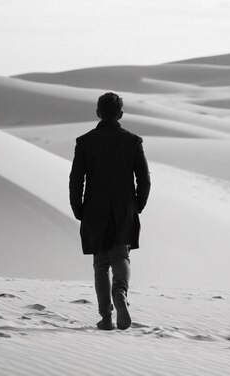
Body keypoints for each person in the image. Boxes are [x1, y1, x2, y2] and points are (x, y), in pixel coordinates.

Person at [69, 92, 151, 330]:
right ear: (121, 114)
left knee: (101, 263)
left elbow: (76, 179)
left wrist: (78, 207)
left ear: (98, 113)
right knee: (121, 255)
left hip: (95, 208)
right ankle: (120, 292)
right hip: (123, 207)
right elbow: (144, 179)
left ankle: (106, 317)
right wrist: (138, 204)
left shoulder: (84, 142)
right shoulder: (133, 141)